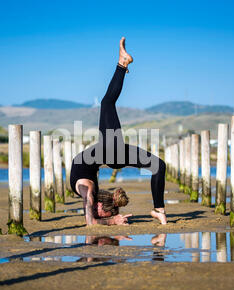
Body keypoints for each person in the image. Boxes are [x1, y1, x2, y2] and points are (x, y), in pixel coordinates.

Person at [70, 37, 167, 226]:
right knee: (107, 103)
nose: (96, 211)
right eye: (102, 212)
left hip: (110, 153)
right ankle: (122, 64)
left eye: (101, 212)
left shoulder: (87, 190)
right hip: (110, 151)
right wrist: (112, 221)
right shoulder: (88, 190)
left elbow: (92, 219)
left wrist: (108, 219)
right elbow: (91, 223)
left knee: (159, 166)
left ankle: (159, 211)